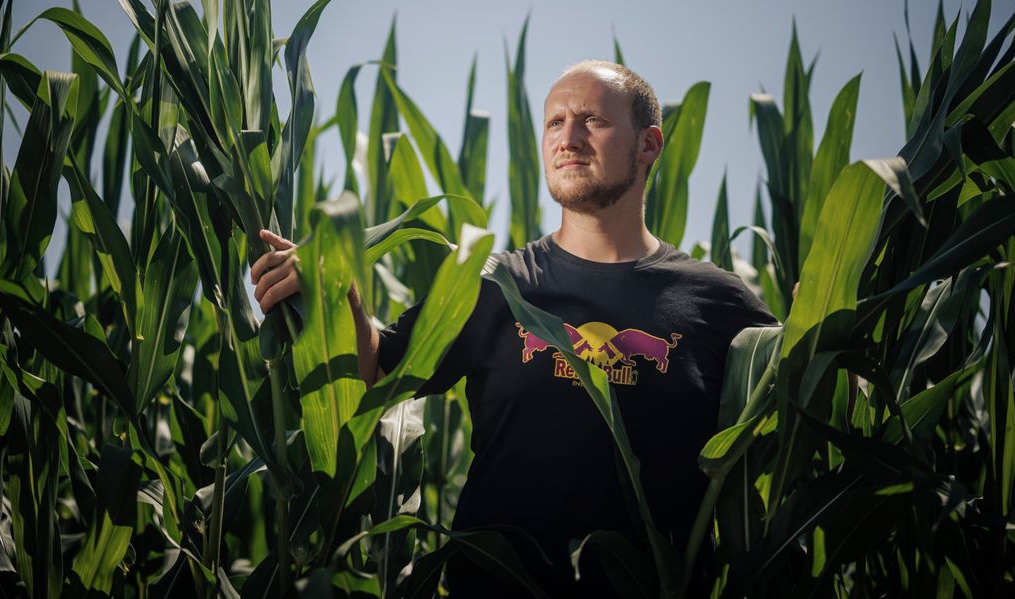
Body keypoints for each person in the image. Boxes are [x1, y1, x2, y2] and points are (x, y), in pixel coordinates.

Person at [251, 60, 778, 598]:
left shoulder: (719, 302)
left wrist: (822, 329)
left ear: (648, 145)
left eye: (592, 120)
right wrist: (336, 292)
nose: (567, 138)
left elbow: (810, 397)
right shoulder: (494, 284)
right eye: (554, 122)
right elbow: (377, 372)